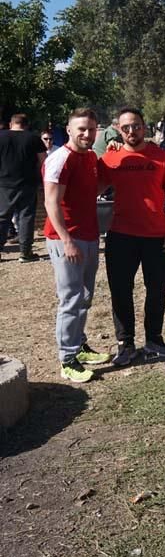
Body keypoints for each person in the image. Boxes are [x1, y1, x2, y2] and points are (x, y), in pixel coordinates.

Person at [99, 108, 165, 366]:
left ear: (144, 127)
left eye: (135, 126)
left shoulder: (162, 157)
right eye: (125, 128)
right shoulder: (110, 159)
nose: (131, 132)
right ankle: (125, 344)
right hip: (121, 235)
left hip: (157, 235)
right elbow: (93, 187)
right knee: (120, 291)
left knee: (156, 290)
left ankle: (154, 340)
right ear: (118, 130)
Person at [43, 108, 112, 383]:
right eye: (81, 129)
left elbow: (95, 187)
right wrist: (67, 240)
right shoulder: (60, 158)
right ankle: (67, 358)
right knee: (71, 298)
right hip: (66, 238)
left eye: (92, 129)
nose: (87, 134)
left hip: (89, 234)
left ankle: (79, 345)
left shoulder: (91, 157)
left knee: (84, 295)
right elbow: (50, 202)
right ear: (69, 130)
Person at [0, 113, 45, 262]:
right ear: (26, 125)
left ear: (11, 124)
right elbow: (43, 161)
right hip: (28, 183)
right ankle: (25, 253)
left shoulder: (1, 136)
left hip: (4, 183)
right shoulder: (33, 138)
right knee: (26, 217)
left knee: (2, 217)